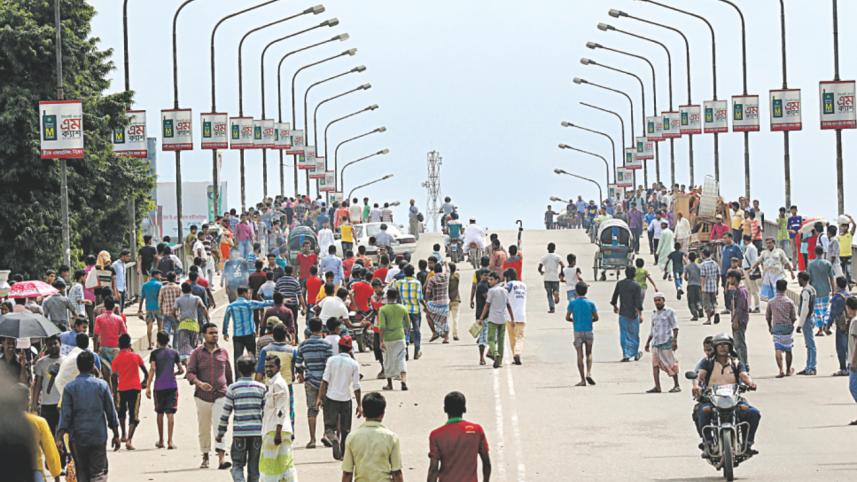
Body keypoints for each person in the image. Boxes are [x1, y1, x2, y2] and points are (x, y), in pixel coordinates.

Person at [57, 351, 121, 482]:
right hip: (98, 436)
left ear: (78, 367)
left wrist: (59, 436)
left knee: (82, 473)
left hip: (78, 438)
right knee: (98, 473)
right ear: (93, 366)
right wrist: (116, 434)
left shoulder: (69, 388)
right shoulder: (102, 385)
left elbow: (65, 415)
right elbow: (111, 412)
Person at [692, 334, 760, 454]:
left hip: (734, 398)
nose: (723, 347)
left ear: (730, 347)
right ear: (715, 347)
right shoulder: (707, 362)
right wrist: (696, 386)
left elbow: (744, 375)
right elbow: (699, 375)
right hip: (711, 398)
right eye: (720, 345)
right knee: (702, 411)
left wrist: (750, 383)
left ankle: (747, 444)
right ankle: (707, 442)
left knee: (753, 413)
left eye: (726, 345)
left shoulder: (736, 362)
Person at [186, 322, 233, 470]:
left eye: (216, 333)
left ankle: (221, 459)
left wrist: (232, 392)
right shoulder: (197, 353)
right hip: (202, 397)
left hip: (221, 395)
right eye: (211, 333)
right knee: (204, 428)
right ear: (204, 335)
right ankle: (205, 456)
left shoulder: (223, 352)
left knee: (220, 427)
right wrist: (199, 383)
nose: (214, 335)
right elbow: (189, 373)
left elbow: (229, 375)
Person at [215, 356, 266, 482]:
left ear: (239, 370)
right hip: (257, 433)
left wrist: (221, 432)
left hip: (240, 434)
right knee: (254, 468)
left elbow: (226, 412)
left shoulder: (233, 388)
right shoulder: (261, 388)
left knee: (237, 465)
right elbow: (266, 413)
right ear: (254, 370)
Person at [427, 391, 491, 482]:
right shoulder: (477, 430)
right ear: (464, 409)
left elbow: (433, 469)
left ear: (445, 409)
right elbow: (486, 463)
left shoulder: (436, 435)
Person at [317, 336, 362, 461]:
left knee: (329, 427)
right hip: (346, 399)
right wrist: (359, 405)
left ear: (339, 347)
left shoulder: (331, 360)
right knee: (345, 429)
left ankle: (333, 438)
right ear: (350, 349)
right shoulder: (354, 364)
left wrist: (320, 397)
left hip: (331, 398)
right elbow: (356, 386)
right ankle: (342, 454)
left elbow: (325, 381)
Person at [341, 392, 403, 482]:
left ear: (364, 413)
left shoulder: (352, 437)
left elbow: (347, 473)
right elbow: (397, 472)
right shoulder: (391, 438)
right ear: (382, 414)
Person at [295, 317, 333, 449]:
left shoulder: (303, 345)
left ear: (309, 329)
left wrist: (300, 374)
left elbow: (298, 364)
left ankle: (312, 439)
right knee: (328, 409)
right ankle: (327, 435)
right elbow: (330, 365)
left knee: (312, 410)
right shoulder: (326, 345)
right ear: (321, 328)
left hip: (310, 380)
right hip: (325, 382)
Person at [258, 355, 297, 481]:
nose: (268, 369)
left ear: (278, 367)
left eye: (271, 366)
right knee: (283, 464)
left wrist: (278, 433)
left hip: (276, 430)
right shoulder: (273, 383)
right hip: (276, 429)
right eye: (266, 366)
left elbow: (281, 411)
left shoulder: (278, 384)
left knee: (271, 466)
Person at [145, 331, 183, 450]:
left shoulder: (154, 354)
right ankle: (170, 441)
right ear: (168, 340)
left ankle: (161, 440)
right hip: (172, 385)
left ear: (158, 340)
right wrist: (174, 373)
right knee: (170, 413)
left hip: (159, 386)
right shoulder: (174, 353)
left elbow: (152, 369)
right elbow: (182, 370)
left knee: (159, 413)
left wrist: (148, 385)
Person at [111, 333, 148, 450]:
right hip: (135, 389)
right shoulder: (135, 357)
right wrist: (144, 382)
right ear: (129, 344)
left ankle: (123, 434)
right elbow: (146, 372)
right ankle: (129, 440)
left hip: (121, 389)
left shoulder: (116, 359)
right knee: (134, 414)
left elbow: (113, 376)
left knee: (121, 412)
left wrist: (114, 389)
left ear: (119, 345)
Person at [223, 287, 274, 370]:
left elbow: (226, 320)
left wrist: (225, 332)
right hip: (249, 335)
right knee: (252, 357)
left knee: (237, 358)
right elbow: (264, 303)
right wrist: (278, 301)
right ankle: (252, 375)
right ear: (244, 293)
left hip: (237, 336)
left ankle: (238, 378)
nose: (249, 295)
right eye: (248, 293)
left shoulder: (230, 306)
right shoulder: (249, 304)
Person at [644, 293, 680, 393]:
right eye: (655, 300)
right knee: (655, 365)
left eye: (659, 300)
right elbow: (652, 329)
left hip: (666, 341)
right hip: (656, 343)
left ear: (663, 300)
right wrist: (647, 342)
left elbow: (675, 327)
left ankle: (677, 385)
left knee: (671, 363)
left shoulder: (670, 312)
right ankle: (657, 387)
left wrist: (675, 340)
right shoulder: (654, 313)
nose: (657, 302)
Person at [566, 282, 597, 387]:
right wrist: (590, 320)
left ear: (576, 291)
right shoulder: (591, 303)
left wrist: (574, 320)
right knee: (589, 353)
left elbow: (567, 317)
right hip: (588, 330)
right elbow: (596, 317)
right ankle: (589, 372)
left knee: (580, 355)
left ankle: (583, 380)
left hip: (578, 331)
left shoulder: (572, 303)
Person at [480, 272, 514, 369]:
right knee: (501, 340)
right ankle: (499, 361)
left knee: (490, 339)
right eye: (489, 279)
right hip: (502, 319)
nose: (489, 281)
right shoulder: (505, 291)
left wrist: (481, 317)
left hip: (493, 319)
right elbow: (508, 305)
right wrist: (512, 318)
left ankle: (495, 353)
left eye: (491, 279)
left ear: (497, 280)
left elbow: (487, 305)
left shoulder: (491, 291)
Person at [378, 289, 410, 391]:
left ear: (387, 296)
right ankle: (403, 380)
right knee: (401, 359)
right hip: (400, 337)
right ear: (397, 296)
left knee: (387, 360)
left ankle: (389, 384)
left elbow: (382, 327)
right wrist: (405, 335)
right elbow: (408, 325)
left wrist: (381, 341)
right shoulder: (403, 308)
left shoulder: (383, 309)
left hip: (388, 338)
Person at [611, 267, 644, 362]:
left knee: (624, 334)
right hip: (633, 314)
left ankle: (626, 354)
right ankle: (635, 352)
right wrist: (640, 314)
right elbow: (638, 302)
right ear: (634, 274)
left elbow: (614, 297)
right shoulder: (636, 286)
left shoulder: (620, 284)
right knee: (634, 334)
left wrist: (615, 307)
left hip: (623, 313)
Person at [766, 279, 798, 378]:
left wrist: (770, 327)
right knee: (788, 349)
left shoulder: (771, 302)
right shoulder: (790, 302)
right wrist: (790, 325)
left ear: (776, 288)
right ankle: (788, 370)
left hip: (776, 327)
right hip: (787, 328)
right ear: (785, 288)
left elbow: (768, 316)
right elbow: (793, 317)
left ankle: (780, 370)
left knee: (778, 348)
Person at [394, 264, 425, 360]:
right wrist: (426, 306)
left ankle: (406, 350)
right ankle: (417, 350)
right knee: (416, 330)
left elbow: (392, 292)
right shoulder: (417, 283)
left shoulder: (399, 283)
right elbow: (420, 298)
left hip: (403, 310)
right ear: (413, 273)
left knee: (405, 330)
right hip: (415, 310)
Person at [174, 282, 209, 362]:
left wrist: (177, 319)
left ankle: (187, 368)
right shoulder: (196, 298)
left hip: (183, 325)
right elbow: (204, 308)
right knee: (194, 348)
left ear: (182, 290)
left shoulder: (179, 300)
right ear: (191, 290)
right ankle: (193, 366)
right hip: (194, 326)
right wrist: (207, 320)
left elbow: (173, 312)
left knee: (183, 349)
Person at [807, 245, 836, 337]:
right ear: (823, 253)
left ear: (815, 252)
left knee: (817, 311)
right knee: (825, 309)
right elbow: (832, 278)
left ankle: (820, 329)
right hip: (825, 290)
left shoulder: (811, 264)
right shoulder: (827, 264)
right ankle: (825, 326)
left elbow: (808, 279)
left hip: (815, 290)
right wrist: (834, 290)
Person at [827, 277, 852, 376]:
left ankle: (843, 368)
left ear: (837, 285)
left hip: (841, 326)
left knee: (841, 347)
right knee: (849, 347)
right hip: (850, 325)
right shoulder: (848, 296)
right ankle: (850, 367)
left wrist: (827, 326)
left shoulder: (837, 298)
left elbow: (832, 314)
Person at [727, 270, 751, 372]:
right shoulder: (737, 290)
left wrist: (736, 320)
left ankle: (743, 365)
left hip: (740, 320)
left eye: (730, 278)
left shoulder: (741, 291)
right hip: (737, 319)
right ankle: (743, 363)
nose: (729, 280)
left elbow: (740, 307)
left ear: (734, 278)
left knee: (739, 343)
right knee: (738, 343)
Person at [795, 272, 818, 376]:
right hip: (811, 317)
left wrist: (800, 324)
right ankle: (808, 366)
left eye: (799, 279)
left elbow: (805, 308)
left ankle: (811, 367)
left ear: (802, 279)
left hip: (807, 319)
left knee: (810, 344)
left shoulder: (806, 291)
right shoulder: (812, 289)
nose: (798, 281)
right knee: (809, 344)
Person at [93, 297, 127, 365]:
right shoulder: (119, 319)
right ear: (113, 306)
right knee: (117, 371)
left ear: (105, 306)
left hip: (103, 348)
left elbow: (95, 335)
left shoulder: (99, 318)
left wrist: (95, 349)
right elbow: (125, 334)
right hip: (115, 348)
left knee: (104, 371)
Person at [504, 268, 527, 366]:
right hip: (521, 315)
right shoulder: (523, 285)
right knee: (520, 337)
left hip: (510, 316)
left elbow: (503, 293)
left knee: (512, 338)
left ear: (508, 277)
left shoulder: (509, 285)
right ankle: (517, 353)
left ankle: (515, 354)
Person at [425, 262, 451, 344]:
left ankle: (434, 332)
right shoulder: (446, 277)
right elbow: (448, 271)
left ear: (434, 271)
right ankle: (446, 337)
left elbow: (428, 292)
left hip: (435, 303)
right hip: (445, 303)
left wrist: (426, 302)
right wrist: (446, 264)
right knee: (444, 320)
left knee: (428, 315)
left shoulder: (432, 279)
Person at [538, 242, 564, 313]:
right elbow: (562, 265)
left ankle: (552, 308)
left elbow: (539, 267)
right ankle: (556, 292)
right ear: (555, 249)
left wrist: (541, 272)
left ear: (547, 248)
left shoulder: (544, 257)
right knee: (555, 290)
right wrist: (561, 272)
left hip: (547, 278)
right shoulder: (557, 257)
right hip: (555, 278)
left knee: (549, 294)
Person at [699, 249, 720, 325]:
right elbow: (718, 275)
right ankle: (716, 312)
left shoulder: (703, 265)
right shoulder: (715, 263)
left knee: (706, 304)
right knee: (714, 301)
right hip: (713, 286)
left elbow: (702, 277)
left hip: (706, 287)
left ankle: (708, 320)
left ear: (704, 255)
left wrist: (702, 287)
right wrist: (717, 285)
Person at [839, 215, 855, 285]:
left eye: (845, 226)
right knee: (842, 273)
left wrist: (850, 218)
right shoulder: (838, 236)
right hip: (840, 256)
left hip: (848, 255)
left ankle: (850, 283)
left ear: (848, 227)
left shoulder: (850, 234)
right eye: (842, 226)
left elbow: (854, 225)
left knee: (848, 271)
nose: (844, 227)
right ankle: (845, 285)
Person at [448, 264, 462, 341]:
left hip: (448, 299)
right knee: (455, 318)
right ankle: (455, 334)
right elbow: (457, 274)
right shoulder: (456, 276)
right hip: (456, 299)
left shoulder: (447, 278)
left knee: (446, 318)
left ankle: (445, 333)